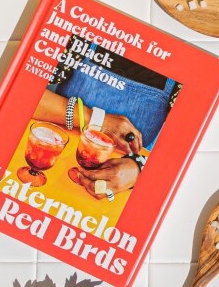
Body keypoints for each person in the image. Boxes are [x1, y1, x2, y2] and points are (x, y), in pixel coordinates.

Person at [32, 35, 180, 200]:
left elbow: (179, 155)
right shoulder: (87, 29)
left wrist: (138, 169)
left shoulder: (185, 70)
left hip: (112, 200)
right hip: (51, 161)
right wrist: (97, 120)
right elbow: (23, 96)